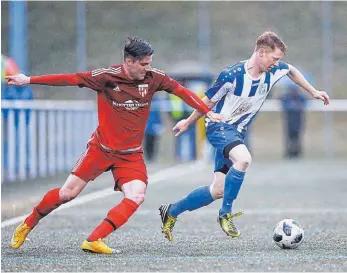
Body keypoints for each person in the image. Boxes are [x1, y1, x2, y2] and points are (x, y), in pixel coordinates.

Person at [6, 37, 223, 254]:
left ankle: (94, 239)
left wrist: (208, 112)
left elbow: (181, 91)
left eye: (149, 63)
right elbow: (70, 79)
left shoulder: (155, 77)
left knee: (137, 195)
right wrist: (29, 80)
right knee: (67, 194)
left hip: (130, 155)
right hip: (100, 149)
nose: (148, 68)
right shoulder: (105, 77)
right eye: (143, 64)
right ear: (129, 61)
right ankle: (28, 223)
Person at [159, 31, 330, 241]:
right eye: (274, 58)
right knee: (244, 159)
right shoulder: (231, 75)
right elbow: (207, 102)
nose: (277, 64)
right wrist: (187, 122)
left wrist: (312, 91)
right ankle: (225, 214)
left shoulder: (275, 70)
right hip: (219, 128)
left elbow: (291, 70)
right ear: (261, 52)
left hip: (236, 132)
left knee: (218, 190)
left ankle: (171, 211)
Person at [280, 84, 308, 158]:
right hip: (289, 122)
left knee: (297, 138)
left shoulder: (300, 98)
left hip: (298, 122)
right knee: (289, 137)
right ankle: (289, 152)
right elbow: (282, 101)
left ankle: (297, 153)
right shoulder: (286, 97)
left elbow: (304, 104)